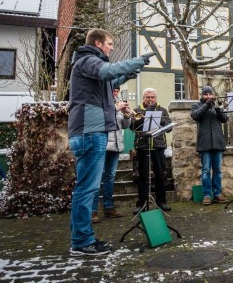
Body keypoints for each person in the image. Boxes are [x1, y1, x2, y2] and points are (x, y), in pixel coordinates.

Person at [68, 28, 153, 256]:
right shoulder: (87, 60)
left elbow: (112, 79)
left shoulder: (89, 64)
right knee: (86, 189)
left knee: (87, 188)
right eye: (110, 43)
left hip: (92, 132)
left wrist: (132, 71)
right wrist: (137, 59)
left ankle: (82, 239)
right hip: (90, 132)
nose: (112, 47)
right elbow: (109, 72)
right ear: (98, 43)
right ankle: (81, 242)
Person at [130, 88, 172, 215]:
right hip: (143, 146)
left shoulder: (162, 110)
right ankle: (141, 203)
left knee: (160, 175)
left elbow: (169, 127)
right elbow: (132, 127)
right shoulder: (137, 111)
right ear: (143, 98)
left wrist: (161, 120)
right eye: (147, 97)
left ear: (156, 98)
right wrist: (146, 116)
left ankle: (161, 202)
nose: (150, 99)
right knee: (142, 176)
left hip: (158, 146)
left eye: (152, 97)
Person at [91, 88, 131, 223]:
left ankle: (108, 207)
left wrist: (127, 115)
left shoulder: (117, 104)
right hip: (102, 144)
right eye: (113, 91)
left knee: (110, 177)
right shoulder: (100, 102)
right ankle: (92, 211)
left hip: (116, 145)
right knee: (97, 178)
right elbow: (99, 120)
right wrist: (116, 109)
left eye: (117, 91)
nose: (115, 93)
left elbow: (125, 126)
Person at [190, 86, 229, 205]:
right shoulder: (197, 106)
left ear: (212, 95)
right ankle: (207, 195)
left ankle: (217, 194)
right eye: (205, 94)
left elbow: (224, 119)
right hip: (205, 143)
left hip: (217, 142)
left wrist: (217, 108)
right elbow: (195, 116)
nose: (208, 96)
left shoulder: (216, 106)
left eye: (209, 94)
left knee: (217, 170)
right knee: (206, 170)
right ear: (202, 96)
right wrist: (206, 104)